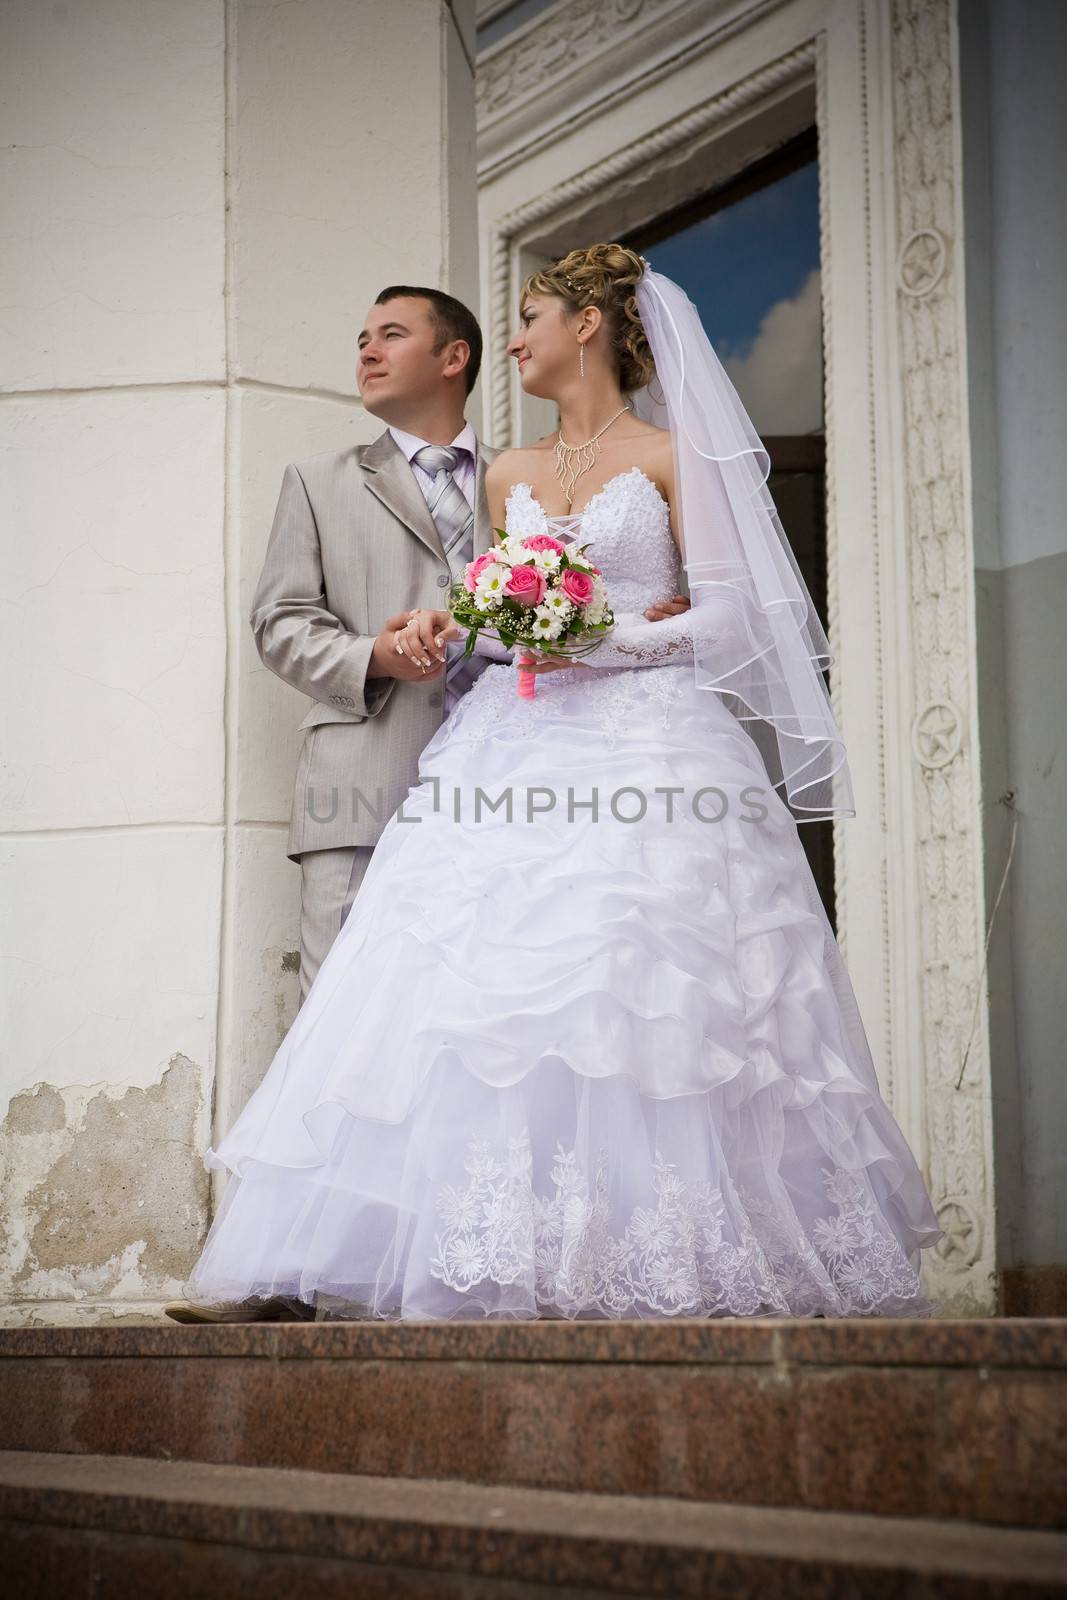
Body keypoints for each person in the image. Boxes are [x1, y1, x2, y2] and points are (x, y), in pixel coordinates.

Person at [168, 244, 942, 1325]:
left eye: (528, 315)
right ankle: (370, 1259)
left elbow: (723, 614)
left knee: (640, 993)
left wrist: (597, 631)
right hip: (510, 743)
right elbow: (494, 612)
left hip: (649, 751)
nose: (513, 338)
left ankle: (652, 1255)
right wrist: (459, 624)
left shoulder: (678, 456)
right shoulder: (505, 476)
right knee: (469, 1003)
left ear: (586, 324)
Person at [251, 281, 697, 1004]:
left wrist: (654, 619)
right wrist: (373, 656)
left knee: (500, 1008)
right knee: (345, 1017)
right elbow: (280, 620)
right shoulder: (316, 482)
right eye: (362, 339)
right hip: (366, 780)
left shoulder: (528, 473)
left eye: (390, 334)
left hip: (529, 776)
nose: (367, 349)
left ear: (453, 355)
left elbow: (586, 588)